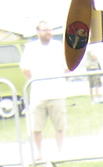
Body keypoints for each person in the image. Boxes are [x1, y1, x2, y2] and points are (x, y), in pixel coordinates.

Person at [20, 21, 68, 159]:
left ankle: (60, 153)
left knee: (59, 126)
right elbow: (24, 68)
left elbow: (67, 66)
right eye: (45, 30)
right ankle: (38, 153)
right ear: (38, 32)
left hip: (57, 93)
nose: (48, 32)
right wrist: (36, 79)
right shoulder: (31, 48)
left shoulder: (58, 46)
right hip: (38, 94)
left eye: (49, 30)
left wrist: (60, 78)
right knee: (36, 127)